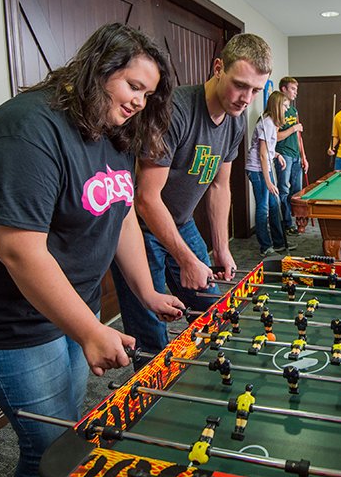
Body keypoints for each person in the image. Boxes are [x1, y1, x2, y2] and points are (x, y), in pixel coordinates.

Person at [0, 23, 185, 477]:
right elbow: (18, 249)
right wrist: (91, 331)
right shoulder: (26, 128)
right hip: (11, 322)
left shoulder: (114, 129)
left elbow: (122, 212)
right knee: (49, 448)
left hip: (73, 306)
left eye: (147, 94)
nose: (139, 102)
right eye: (134, 86)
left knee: (70, 427)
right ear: (97, 69)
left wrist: (146, 290)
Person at [111, 33, 272, 357]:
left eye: (256, 90)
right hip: (138, 232)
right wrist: (186, 259)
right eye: (240, 85)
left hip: (181, 223)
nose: (246, 98)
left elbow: (219, 186)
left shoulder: (234, 122)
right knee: (152, 332)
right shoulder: (176, 111)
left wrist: (222, 248)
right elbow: (145, 199)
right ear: (217, 68)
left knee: (215, 310)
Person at [246, 91, 296, 256]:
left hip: (264, 166)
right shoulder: (267, 122)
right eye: (285, 106)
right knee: (264, 207)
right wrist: (268, 182)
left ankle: (279, 243)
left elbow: (268, 150)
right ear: (277, 106)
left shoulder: (272, 123)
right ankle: (265, 247)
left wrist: (277, 154)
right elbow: (261, 154)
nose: (287, 109)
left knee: (274, 205)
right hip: (257, 169)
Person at [273, 77, 309, 235]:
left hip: (296, 156)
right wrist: (293, 128)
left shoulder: (294, 111)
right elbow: (276, 137)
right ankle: (287, 224)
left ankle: (298, 222)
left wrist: (304, 157)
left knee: (297, 192)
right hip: (284, 155)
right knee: (284, 191)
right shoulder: (277, 111)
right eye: (293, 89)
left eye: (296, 89)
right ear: (283, 89)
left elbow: (299, 137)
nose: (296, 93)